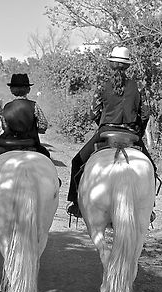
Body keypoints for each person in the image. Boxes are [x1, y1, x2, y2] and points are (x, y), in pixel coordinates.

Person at [67, 46, 157, 218]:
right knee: (151, 168)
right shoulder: (139, 86)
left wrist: (103, 125)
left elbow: (93, 112)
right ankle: (149, 207)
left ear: (111, 64)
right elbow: (145, 113)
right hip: (131, 134)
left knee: (76, 162)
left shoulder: (102, 85)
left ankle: (75, 203)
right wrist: (138, 130)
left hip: (106, 132)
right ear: (128, 66)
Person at [0, 73, 50, 192]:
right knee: (46, 154)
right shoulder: (34, 106)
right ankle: (53, 179)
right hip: (30, 144)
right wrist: (35, 128)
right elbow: (43, 126)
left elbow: (4, 127)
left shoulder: (6, 107)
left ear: (12, 90)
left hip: (7, 144)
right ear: (28, 89)